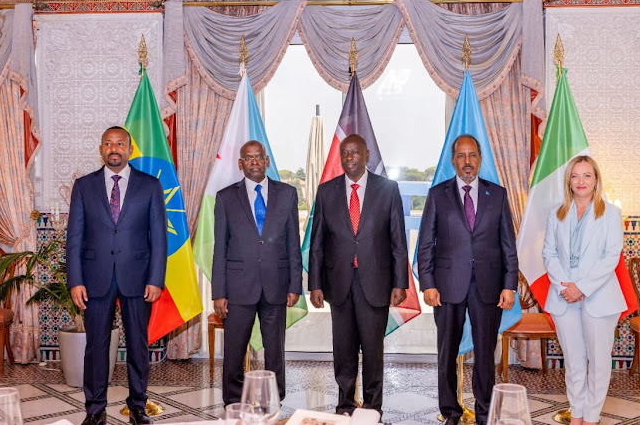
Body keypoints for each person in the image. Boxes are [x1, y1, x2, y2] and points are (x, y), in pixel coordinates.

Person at [66, 126, 167, 425]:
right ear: (101, 149)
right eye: (108, 144)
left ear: (130, 148)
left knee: (138, 344)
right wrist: (75, 280)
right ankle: (95, 411)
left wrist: (156, 278)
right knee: (95, 346)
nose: (114, 148)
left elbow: (159, 237)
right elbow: (75, 237)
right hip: (94, 278)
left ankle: (138, 406)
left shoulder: (150, 186)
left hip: (138, 277)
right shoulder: (83, 186)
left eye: (120, 143)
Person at [417, 134, 517, 425]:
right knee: (446, 353)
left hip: (488, 287)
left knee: (486, 355)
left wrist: (509, 284)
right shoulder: (438, 195)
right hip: (447, 287)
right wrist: (428, 283)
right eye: (461, 156)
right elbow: (426, 244)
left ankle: (485, 413)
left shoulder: (496, 194)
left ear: (480, 158)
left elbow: (507, 244)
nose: (467, 162)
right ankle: (451, 411)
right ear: (453, 161)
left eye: (472, 155)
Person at [308, 133, 409, 416]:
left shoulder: (388, 189)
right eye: (345, 153)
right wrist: (315, 283)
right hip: (338, 284)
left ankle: (373, 409)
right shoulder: (326, 191)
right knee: (343, 351)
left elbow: (398, 241)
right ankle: (345, 406)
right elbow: (317, 243)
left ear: (367, 155)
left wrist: (400, 282)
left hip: (375, 283)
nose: (350, 158)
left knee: (373, 352)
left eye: (355, 152)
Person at [212, 140, 303, 406]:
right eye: (248, 158)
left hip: (276, 284)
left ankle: (273, 401)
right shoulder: (226, 197)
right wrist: (219, 292)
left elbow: (292, 243)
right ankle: (233, 402)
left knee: (275, 351)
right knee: (234, 350)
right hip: (238, 287)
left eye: (259, 157)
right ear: (241, 164)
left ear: (267, 161)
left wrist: (295, 284)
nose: (254, 162)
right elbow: (221, 247)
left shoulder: (287, 194)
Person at [542, 155, 624, 425]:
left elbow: (611, 257)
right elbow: (549, 253)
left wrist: (583, 288)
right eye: (575, 176)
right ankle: (576, 415)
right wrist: (566, 287)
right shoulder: (556, 212)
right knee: (574, 363)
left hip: (599, 297)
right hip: (564, 296)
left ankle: (591, 418)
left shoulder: (610, 213)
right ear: (569, 181)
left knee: (599, 364)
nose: (581, 181)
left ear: (596, 180)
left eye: (587, 175)